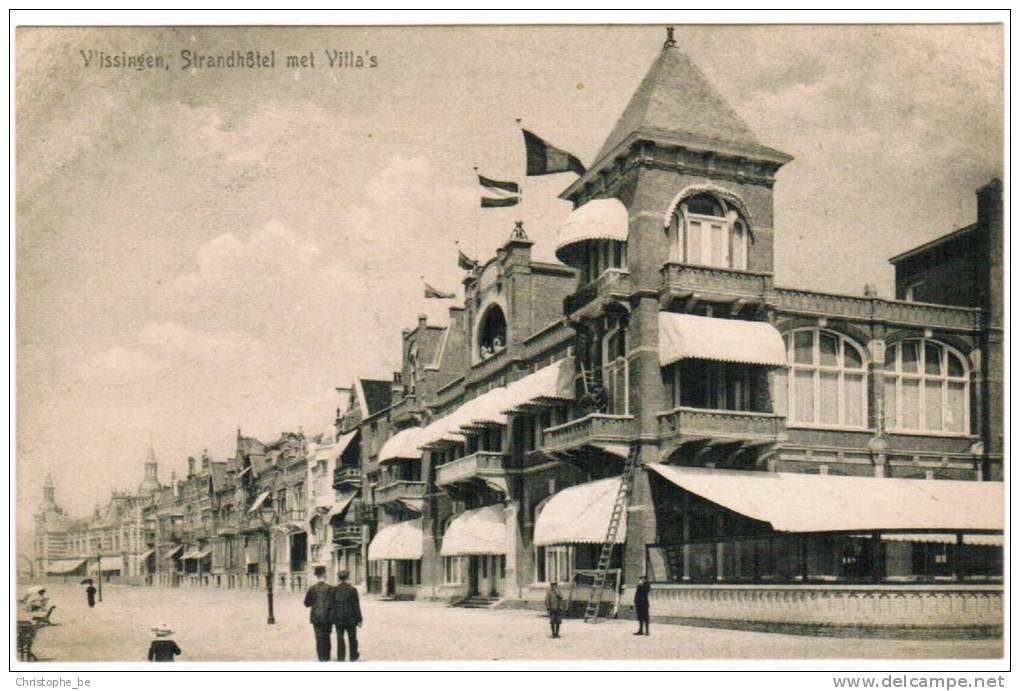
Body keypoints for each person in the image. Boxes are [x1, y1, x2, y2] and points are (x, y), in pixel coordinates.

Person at [303, 564, 333, 662]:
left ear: (316, 576)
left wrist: (314, 603)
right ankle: (327, 657)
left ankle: (321, 659)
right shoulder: (330, 588)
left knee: (319, 638)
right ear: (324, 575)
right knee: (327, 637)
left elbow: (306, 603)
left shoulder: (312, 588)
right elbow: (334, 603)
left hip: (316, 616)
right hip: (328, 616)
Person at [331, 569, 362, 661]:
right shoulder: (353, 590)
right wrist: (359, 619)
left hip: (339, 619)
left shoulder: (334, 589)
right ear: (348, 577)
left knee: (340, 639)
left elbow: (332, 605)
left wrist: (333, 618)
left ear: (339, 578)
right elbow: (356, 605)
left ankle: (341, 657)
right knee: (352, 638)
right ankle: (353, 656)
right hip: (351, 618)